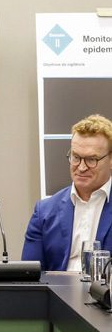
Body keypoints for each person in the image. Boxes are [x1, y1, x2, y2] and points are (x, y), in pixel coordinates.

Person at [23, 114, 112, 271]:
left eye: (91, 160)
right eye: (76, 157)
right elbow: (28, 276)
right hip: (57, 288)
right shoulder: (44, 212)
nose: (81, 167)